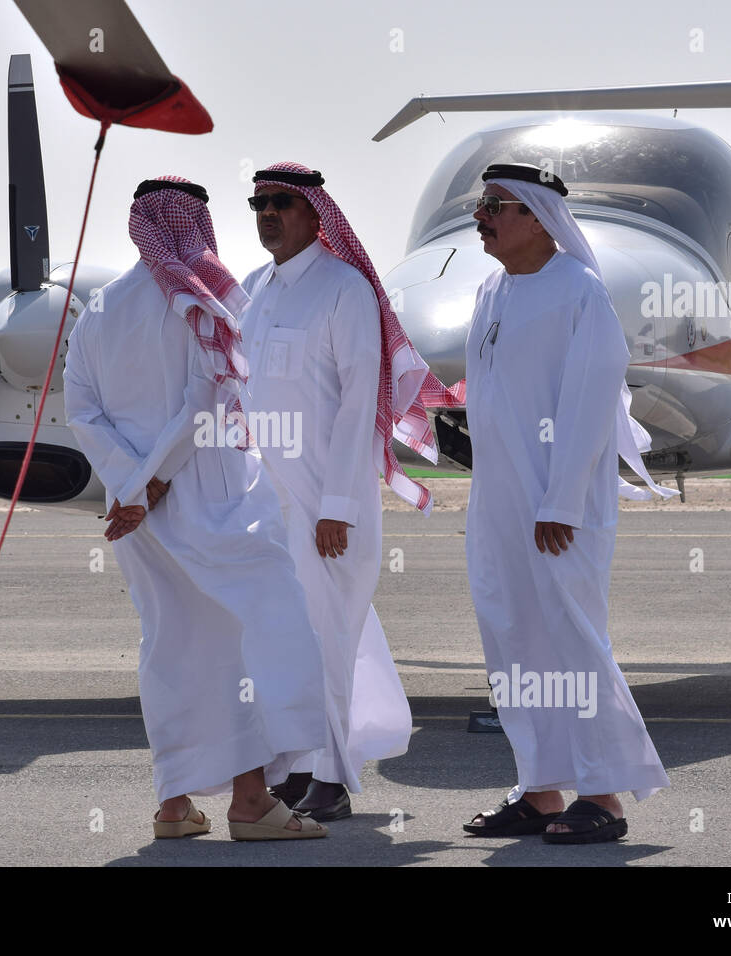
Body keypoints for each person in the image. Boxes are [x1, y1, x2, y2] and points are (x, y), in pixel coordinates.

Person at [63, 175, 331, 841]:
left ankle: (175, 805)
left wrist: (131, 486)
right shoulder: (199, 300)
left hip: (139, 520)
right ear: (192, 224)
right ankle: (250, 802)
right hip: (215, 500)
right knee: (256, 639)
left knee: (173, 647)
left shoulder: (97, 309)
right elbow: (206, 399)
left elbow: (82, 412)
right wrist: (155, 483)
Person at [238, 162, 465, 820]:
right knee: (282, 637)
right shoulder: (256, 290)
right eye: (259, 204)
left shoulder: (345, 291)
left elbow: (356, 402)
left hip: (328, 503)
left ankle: (333, 775)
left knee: (331, 635)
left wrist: (337, 507)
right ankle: (296, 766)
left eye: (282, 202)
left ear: (316, 214)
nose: (269, 213)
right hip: (268, 502)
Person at [458, 162, 677, 844]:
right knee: (513, 641)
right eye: (482, 204)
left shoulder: (579, 291)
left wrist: (560, 502)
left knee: (572, 643)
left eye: (497, 205)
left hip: (561, 510)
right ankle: (540, 789)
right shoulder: (491, 289)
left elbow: (589, 407)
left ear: (536, 216)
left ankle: (604, 796)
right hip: (497, 506)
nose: (482, 215)